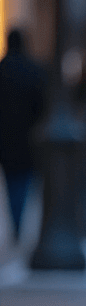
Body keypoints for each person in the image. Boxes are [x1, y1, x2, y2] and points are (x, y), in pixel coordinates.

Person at [0, 27, 47, 242]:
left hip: (6, 138)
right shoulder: (35, 71)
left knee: (12, 184)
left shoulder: (2, 70)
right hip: (29, 138)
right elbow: (43, 107)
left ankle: (16, 223)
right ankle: (19, 223)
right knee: (25, 182)